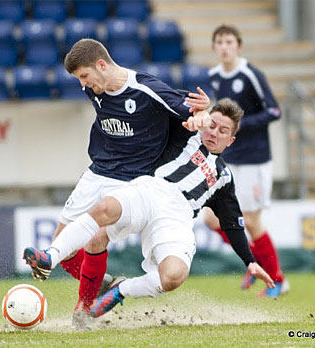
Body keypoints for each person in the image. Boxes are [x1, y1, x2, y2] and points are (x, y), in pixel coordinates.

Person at [24, 98, 275, 320]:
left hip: (178, 216)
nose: (214, 133)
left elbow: (232, 222)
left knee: (173, 277)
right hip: (151, 190)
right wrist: (192, 110)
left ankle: (122, 289)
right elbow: (159, 103)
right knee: (102, 219)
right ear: (205, 121)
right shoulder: (184, 133)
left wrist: (250, 262)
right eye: (212, 125)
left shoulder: (224, 177)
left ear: (230, 140)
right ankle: (66, 281)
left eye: (223, 131)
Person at [39, 38, 211, 324]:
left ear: (102, 65)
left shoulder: (147, 88)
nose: (82, 85)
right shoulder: (95, 89)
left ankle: (84, 308)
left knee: (97, 236)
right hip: (97, 172)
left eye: (84, 76)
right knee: (63, 247)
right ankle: (102, 281)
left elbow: (190, 107)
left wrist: (201, 114)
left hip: (131, 180)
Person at [205, 24, 289, 297]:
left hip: (254, 159)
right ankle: (254, 262)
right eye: (220, 42)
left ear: (238, 46)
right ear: (214, 47)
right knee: (211, 218)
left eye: (229, 41)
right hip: (230, 158)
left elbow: (274, 111)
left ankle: (277, 280)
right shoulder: (214, 76)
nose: (225, 46)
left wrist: (242, 125)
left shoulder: (251, 74)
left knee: (251, 221)